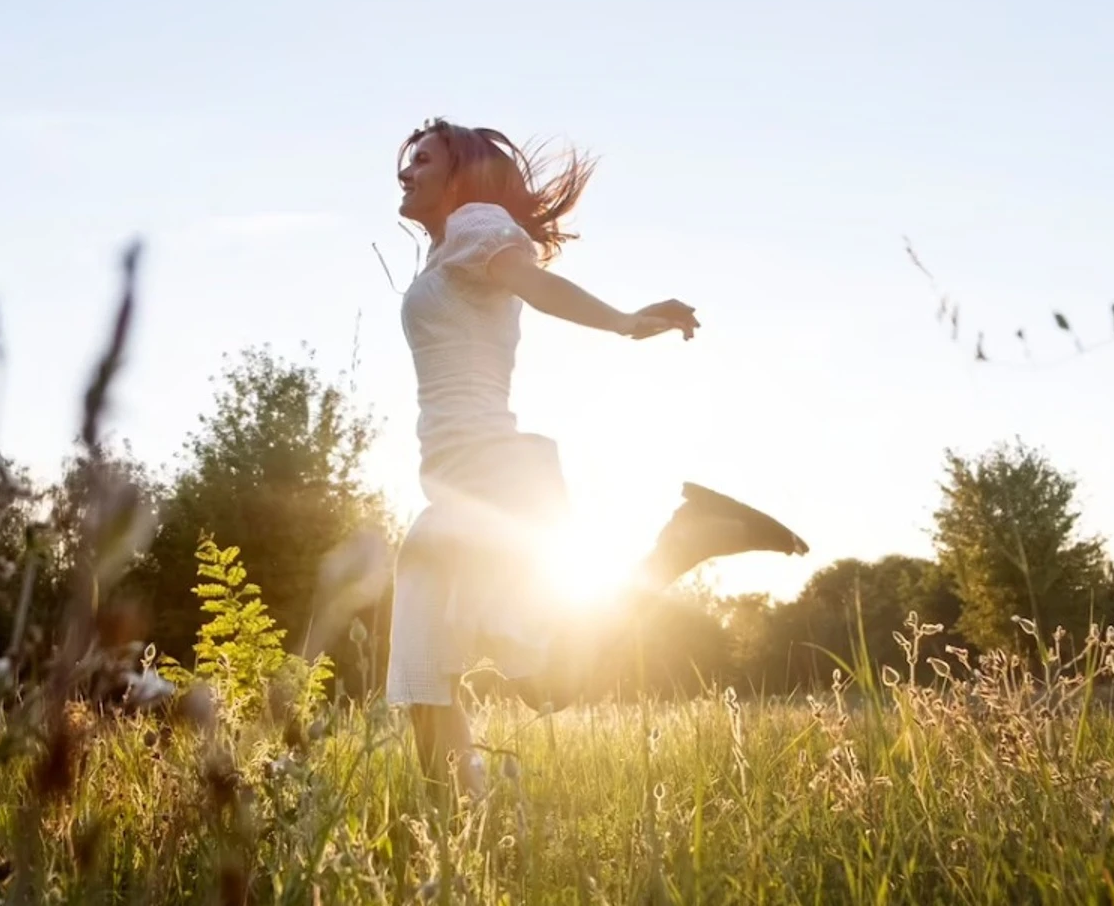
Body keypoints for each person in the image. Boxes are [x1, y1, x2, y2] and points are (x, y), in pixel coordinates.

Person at [315, 118, 808, 798]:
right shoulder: (446, 252)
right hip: (454, 489)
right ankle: (465, 827)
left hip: (491, 481)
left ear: (462, 175)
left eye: (422, 160)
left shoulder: (476, 225)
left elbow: (533, 283)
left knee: (546, 680)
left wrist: (625, 320)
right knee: (422, 679)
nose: (405, 171)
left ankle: (683, 544)